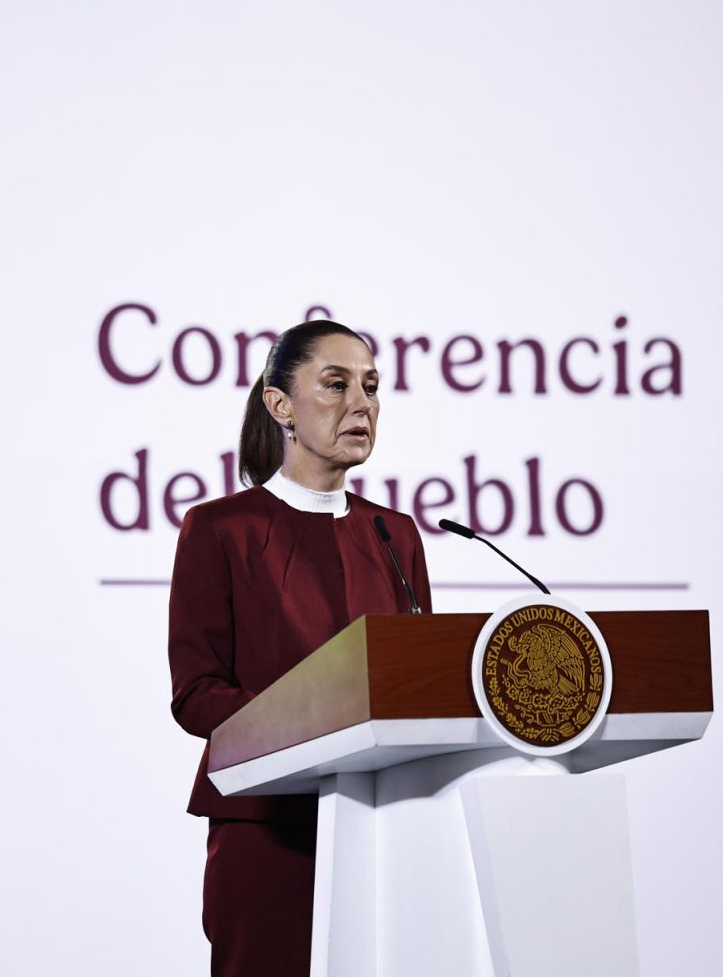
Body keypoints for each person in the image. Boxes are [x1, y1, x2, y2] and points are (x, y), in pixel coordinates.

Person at [167, 318, 432, 974]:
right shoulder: (220, 529)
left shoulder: (394, 536)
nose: (361, 405)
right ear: (280, 404)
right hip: (269, 829)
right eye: (336, 385)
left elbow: (424, 682)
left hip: (381, 826)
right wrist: (316, 726)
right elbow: (197, 694)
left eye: (371, 387)